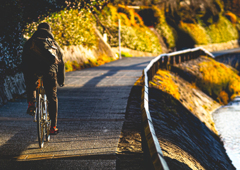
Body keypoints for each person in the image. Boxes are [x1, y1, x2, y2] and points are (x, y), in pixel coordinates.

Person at [22, 22, 65, 135]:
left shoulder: (30, 42)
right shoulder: (53, 44)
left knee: (30, 80)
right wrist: (61, 80)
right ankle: (53, 126)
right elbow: (61, 63)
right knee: (52, 97)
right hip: (49, 72)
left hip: (33, 70)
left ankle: (32, 102)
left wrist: (26, 73)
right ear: (49, 31)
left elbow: (24, 60)